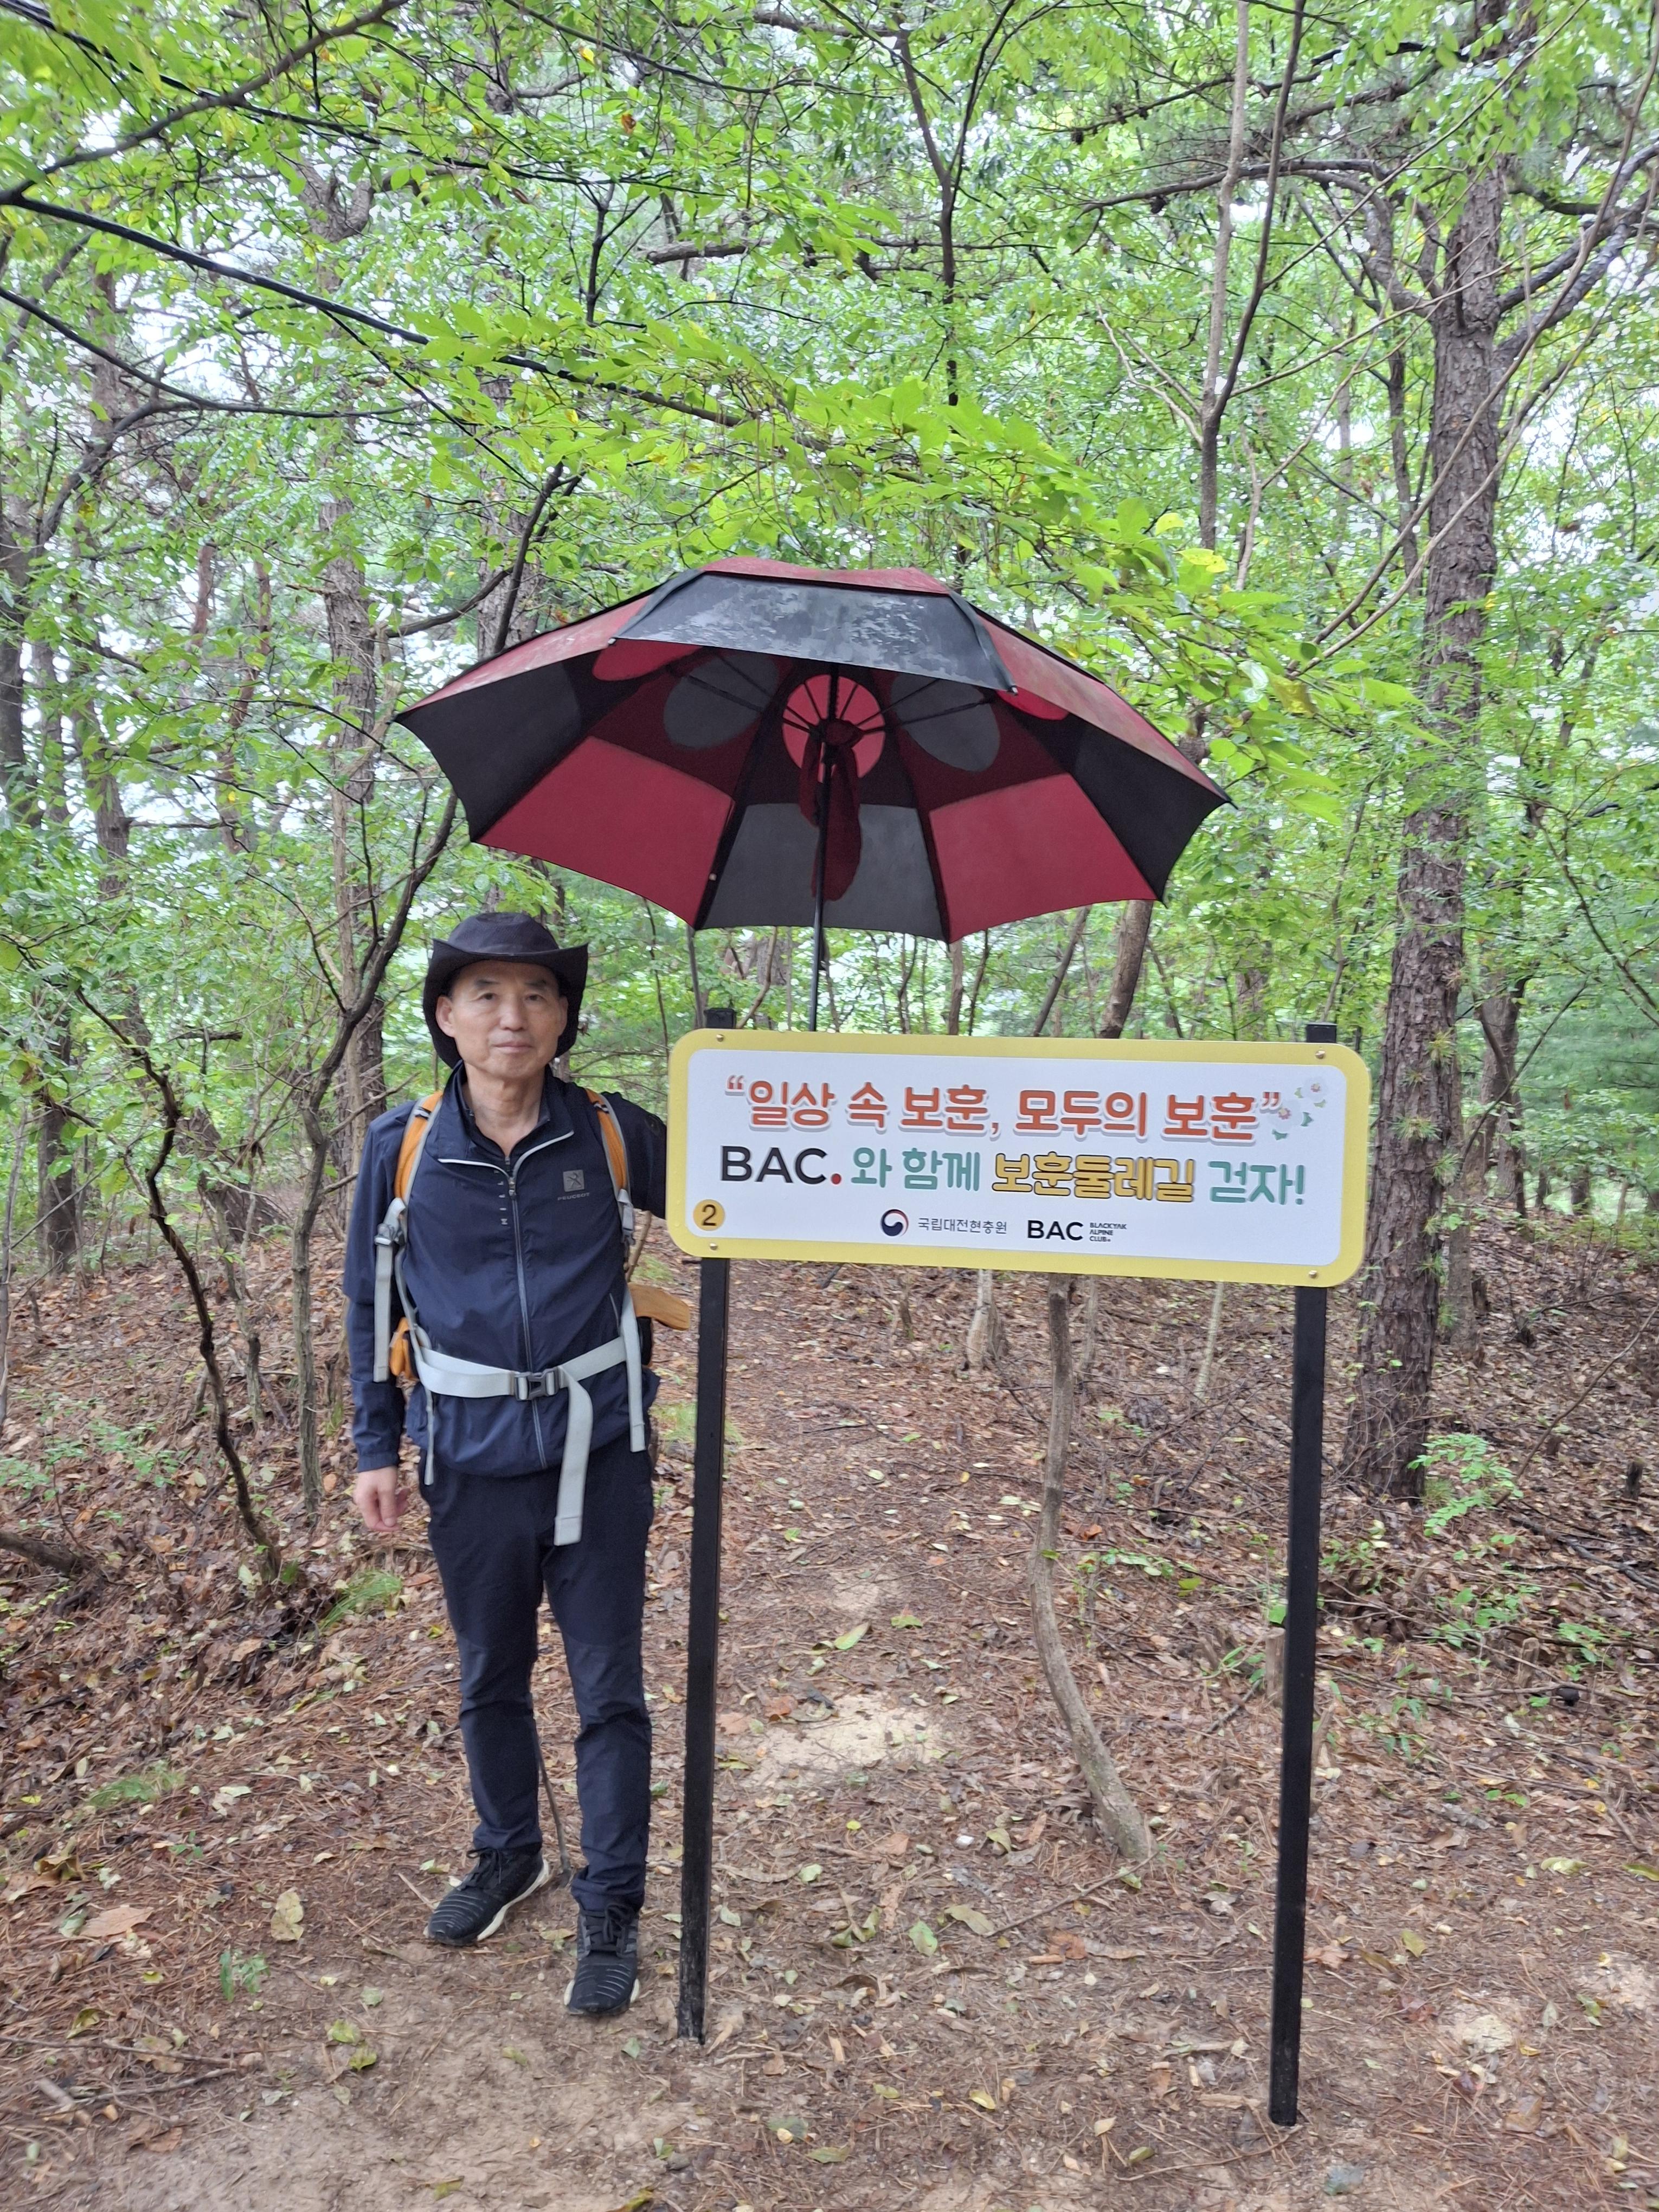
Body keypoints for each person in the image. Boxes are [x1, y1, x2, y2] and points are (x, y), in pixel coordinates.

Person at [344, 911, 666, 2016]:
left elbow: (741, 1185)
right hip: (468, 1460)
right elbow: (370, 1300)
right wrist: (375, 1444)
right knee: (490, 1674)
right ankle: (508, 1852)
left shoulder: (611, 1134)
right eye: (485, 993)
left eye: (536, 993)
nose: (512, 1017)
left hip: (600, 1455)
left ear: (564, 1016)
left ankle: (610, 1903)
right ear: (447, 1015)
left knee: (608, 1688)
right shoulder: (403, 1146)